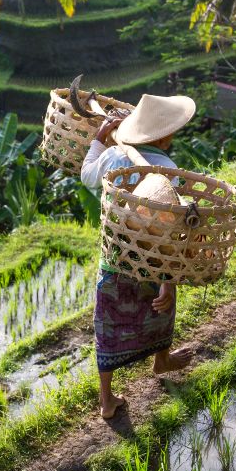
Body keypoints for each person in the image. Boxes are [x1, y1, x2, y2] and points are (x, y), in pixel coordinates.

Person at [81, 94, 197, 419]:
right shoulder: (172, 173)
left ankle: (106, 399)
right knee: (160, 310)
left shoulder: (113, 156)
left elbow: (86, 175)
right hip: (154, 261)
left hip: (115, 256)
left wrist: (98, 139)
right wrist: (169, 282)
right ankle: (162, 358)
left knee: (107, 322)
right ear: (164, 136)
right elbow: (176, 235)